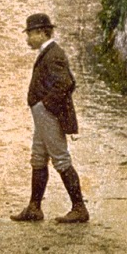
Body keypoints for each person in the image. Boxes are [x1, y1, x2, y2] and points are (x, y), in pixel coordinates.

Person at [11, 13, 88, 224]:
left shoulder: (53, 54)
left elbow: (66, 83)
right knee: (38, 157)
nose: (27, 39)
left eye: (29, 34)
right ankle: (34, 208)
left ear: (40, 32)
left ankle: (79, 208)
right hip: (43, 113)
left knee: (60, 158)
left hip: (48, 114)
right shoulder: (50, 52)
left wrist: (46, 106)